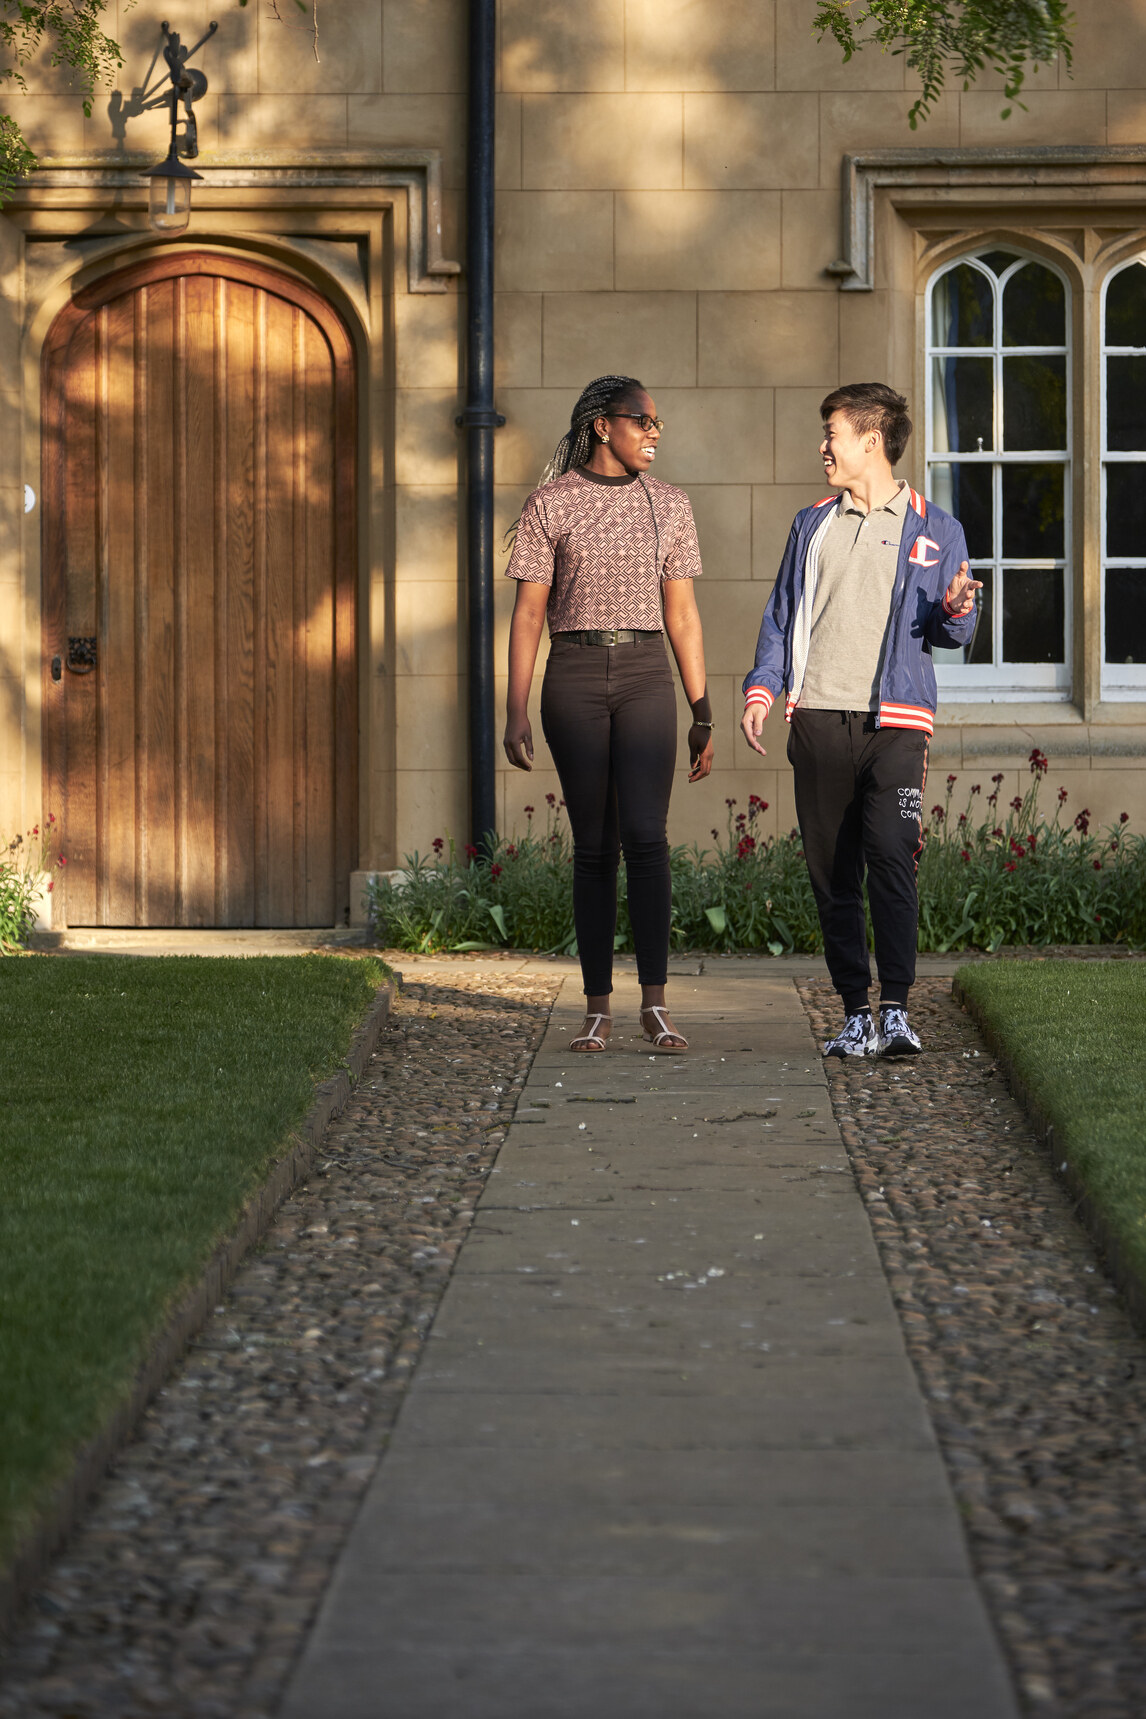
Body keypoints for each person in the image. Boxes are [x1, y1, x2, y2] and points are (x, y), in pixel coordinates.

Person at [740, 383, 980, 1058]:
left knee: (891, 855)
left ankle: (898, 1008)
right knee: (833, 872)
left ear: (870, 441)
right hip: (817, 717)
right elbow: (780, 616)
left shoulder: (938, 527)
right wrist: (763, 690)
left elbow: (951, 631)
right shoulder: (811, 523)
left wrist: (959, 608)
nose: (824, 446)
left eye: (833, 434)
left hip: (898, 725)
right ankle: (854, 1013)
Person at [503, 374, 714, 1053]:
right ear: (603, 426)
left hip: (648, 675)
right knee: (595, 847)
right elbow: (529, 611)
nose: (654, 432)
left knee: (647, 838)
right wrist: (515, 708)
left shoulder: (671, 505)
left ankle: (655, 1004)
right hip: (574, 676)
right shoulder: (551, 503)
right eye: (642, 420)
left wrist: (702, 707)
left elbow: (681, 612)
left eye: (657, 423)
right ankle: (597, 1008)